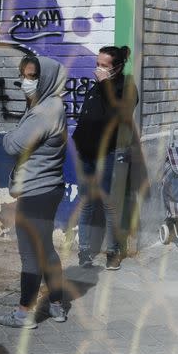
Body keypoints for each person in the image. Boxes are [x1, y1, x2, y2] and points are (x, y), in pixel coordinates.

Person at [0, 56, 68, 329]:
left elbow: (12, 145)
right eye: (25, 76)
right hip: (49, 188)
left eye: (33, 76)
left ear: (46, 78)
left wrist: (10, 134)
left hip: (37, 191)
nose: (27, 82)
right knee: (46, 249)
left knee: (30, 253)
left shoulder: (42, 112)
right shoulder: (54, 104)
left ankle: (24, 312)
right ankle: (57, 305)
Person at [71, 46, 139, 270]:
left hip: (107, 154)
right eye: (97, 63)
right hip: (86, 154)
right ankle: (85, 251)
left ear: (117, 67)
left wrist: (105, 85)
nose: (98, 69)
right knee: (87, 202)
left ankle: (112, 252)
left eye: (104, 65)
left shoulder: (125, 88)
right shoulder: (96, 87)